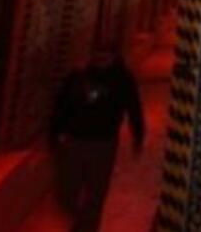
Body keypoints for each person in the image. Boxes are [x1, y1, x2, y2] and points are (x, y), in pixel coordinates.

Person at [49, 47, 145, 232]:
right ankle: (81, 221)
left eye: (104, 56)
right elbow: (61, 104)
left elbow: (134, 107)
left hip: (104, 142)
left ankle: (85, 228)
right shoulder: (78, 76)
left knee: (96, 193)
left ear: (113, 57)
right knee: (65, 192)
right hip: (74, 141)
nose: (100, 59)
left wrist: (138, 134)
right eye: (97, 55)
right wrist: (55, 133)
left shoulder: (122, 79)